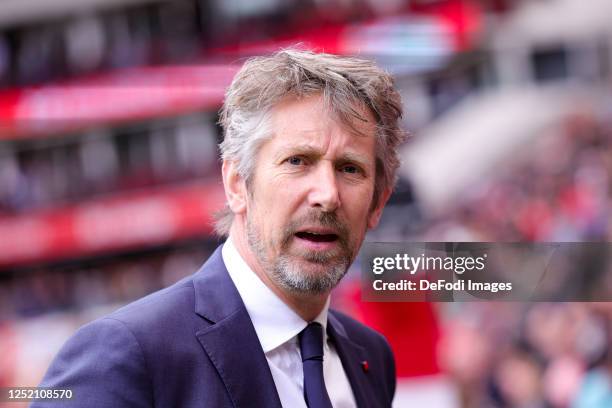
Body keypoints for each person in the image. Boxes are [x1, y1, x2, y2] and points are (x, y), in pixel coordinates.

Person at [33, 49, 405, 408]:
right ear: (237, 184)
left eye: (350, 168)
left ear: (378, 202)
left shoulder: (369, 356)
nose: (327, 194)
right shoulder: (126, 355)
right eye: (297, 161)